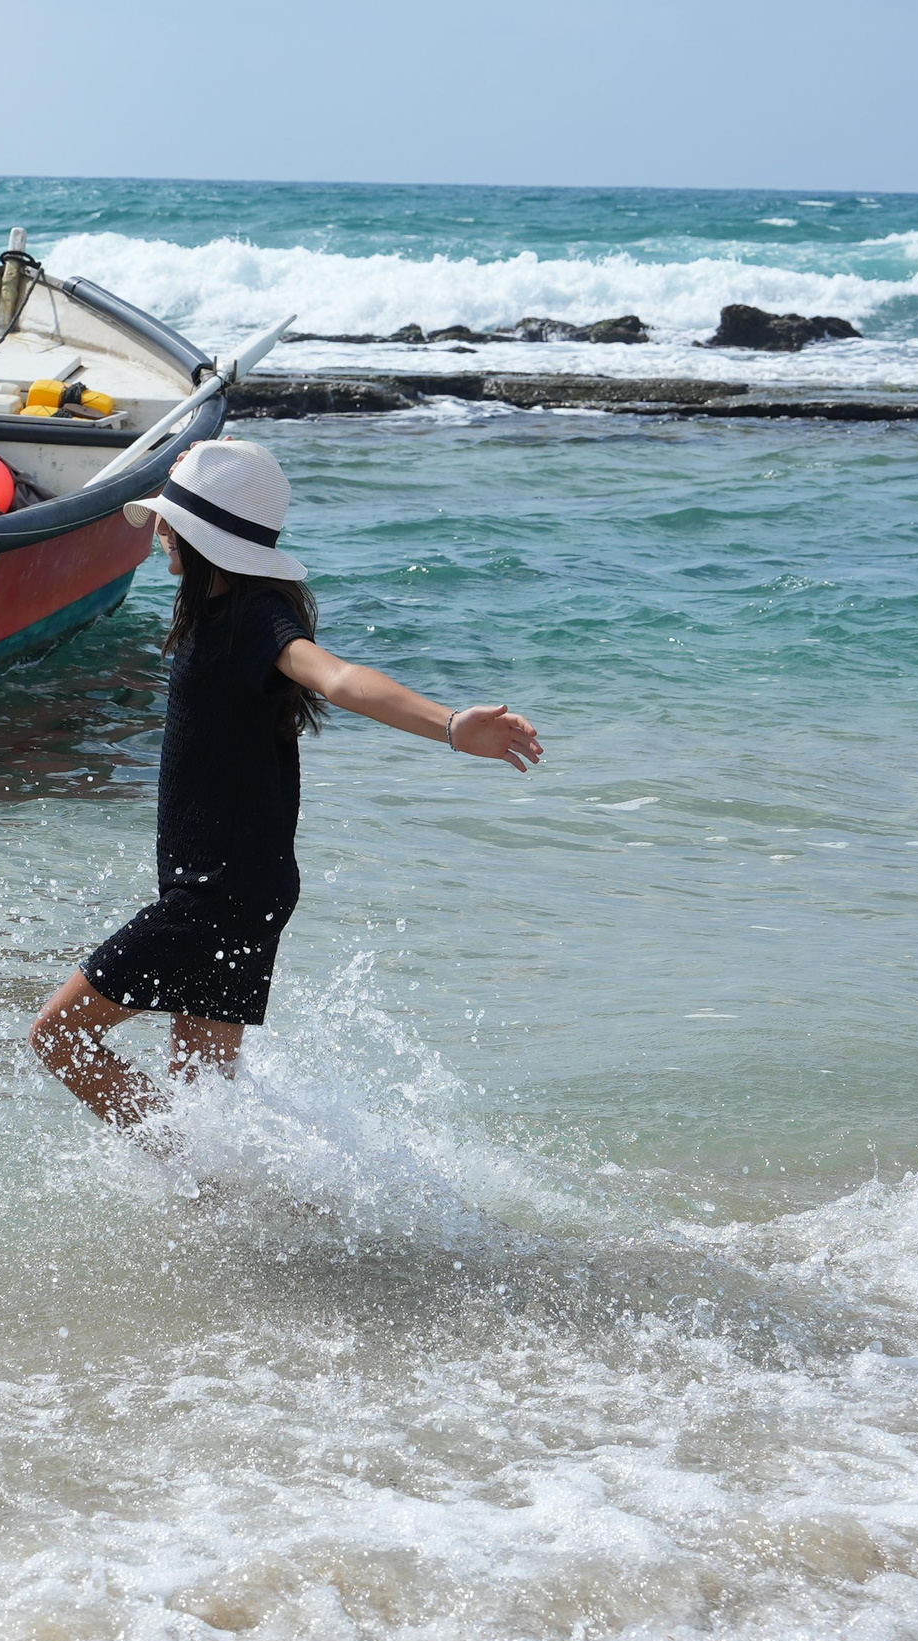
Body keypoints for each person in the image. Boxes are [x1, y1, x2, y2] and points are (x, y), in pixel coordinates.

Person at [29, 437, 543, 1128]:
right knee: (202, 1098)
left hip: (216, 897)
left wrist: (451, 725)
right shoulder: (214, 613)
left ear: (205, 535)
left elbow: (337, 677)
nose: (159, 530)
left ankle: (186, 1163)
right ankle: (233, 1200)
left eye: (171, 518)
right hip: (237, 888)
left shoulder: (255, 618)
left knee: (59, 1036)